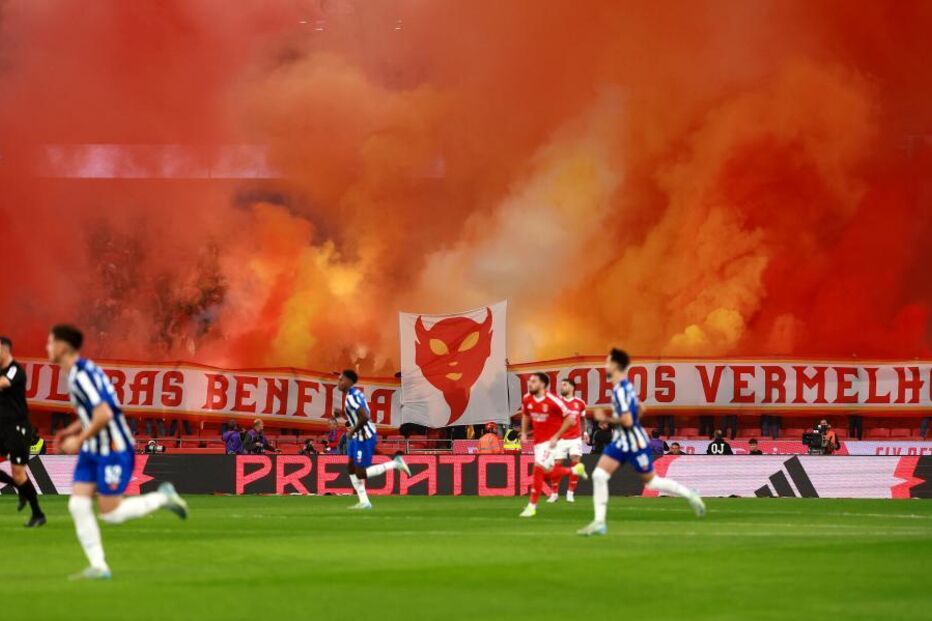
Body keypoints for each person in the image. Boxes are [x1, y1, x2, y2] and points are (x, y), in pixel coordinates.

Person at [48, 324, 187, 580]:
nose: (47, 347)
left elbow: (104, 414)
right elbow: (96, 410)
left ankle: (162, 498)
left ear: (63, 347)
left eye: (50, 342)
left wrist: (77, 439)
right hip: (93, 449)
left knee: (111, 514)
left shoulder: (82, 375)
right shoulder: (81, 372)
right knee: (78, 504)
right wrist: (70, 430)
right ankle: (99, 566)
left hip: (113, 448)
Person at [578, 349, 704, 536]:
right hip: (621, 441)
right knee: (599, 475)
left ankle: (689, 493)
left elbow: (628, 420)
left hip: (634, 442)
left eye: (608, 362)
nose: (606, 365)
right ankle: (599, 523)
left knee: (652, 482)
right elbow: (641, 408)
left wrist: (604, 418)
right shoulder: (624, 387)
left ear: (616, 366)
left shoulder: (622, 390)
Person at [335, 369, 410, 509]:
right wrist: (342, 414)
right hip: (358, 434)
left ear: (349, 382)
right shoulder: (353, 394)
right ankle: (364, 501)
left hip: (364, 436)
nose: (338, 382)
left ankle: (395, 463)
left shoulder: (352, 397)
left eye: (341, 380)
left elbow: (364, 417)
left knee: (360, 472)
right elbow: (357, 415)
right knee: (351, 467)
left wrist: (352, 432)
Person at [518, 372, 588, 518]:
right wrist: (524, 432)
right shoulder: (527, 399)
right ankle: (573, 471)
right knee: (546, 474)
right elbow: (525, 415)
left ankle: (532, 506)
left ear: (543, 384)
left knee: (537, 470)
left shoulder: (554, 401)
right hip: (538, 442)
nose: (530, 384)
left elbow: (571, 419)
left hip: (552, 442)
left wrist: (556, 436)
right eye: (529, 381)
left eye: (533, 381)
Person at [0, 336, 46, 526]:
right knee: (17, 478)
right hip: (1, 427)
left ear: (4, 349)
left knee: (19, 473)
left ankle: (38, 514)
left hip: (17, 428)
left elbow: (2, 383)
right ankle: (17, 486)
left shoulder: (14, 369)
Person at [548, 378, 588, 503]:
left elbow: (583, 419)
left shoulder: (580, 403)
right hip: (560, 439)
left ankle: (570, 493)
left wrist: (585, 432)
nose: (562, 387)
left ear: (572, 387)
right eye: (561, 385)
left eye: (564, 385)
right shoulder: (557, 402)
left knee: (576, 461)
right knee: (557, 464)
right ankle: (554, 493)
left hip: (575, 438)